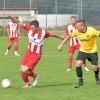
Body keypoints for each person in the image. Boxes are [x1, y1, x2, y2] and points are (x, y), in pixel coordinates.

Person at [9, 16, 63, 88]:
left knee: (24, 70)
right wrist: (13, 19)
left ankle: (35, 76)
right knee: (21, 70)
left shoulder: (43, 33)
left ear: (37, 27)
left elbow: (51, 34)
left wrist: (60, 37)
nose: (31, 29)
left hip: (36, 55)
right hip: (28, 52)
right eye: (30, 28)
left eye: (33, 28)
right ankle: (27, 84)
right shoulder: (29, 29)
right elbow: (20, 23)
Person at [59, 19, 100, 88]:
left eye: (77, 27)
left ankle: (96, 76)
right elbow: (68, 37)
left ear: (82, 26)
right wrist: (61, 45)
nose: (76, 28)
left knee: (94, 68)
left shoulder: (92, 30)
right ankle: (81, 82)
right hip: (83, 51)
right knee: (78, 64)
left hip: (92, 51)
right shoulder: (76, 32)